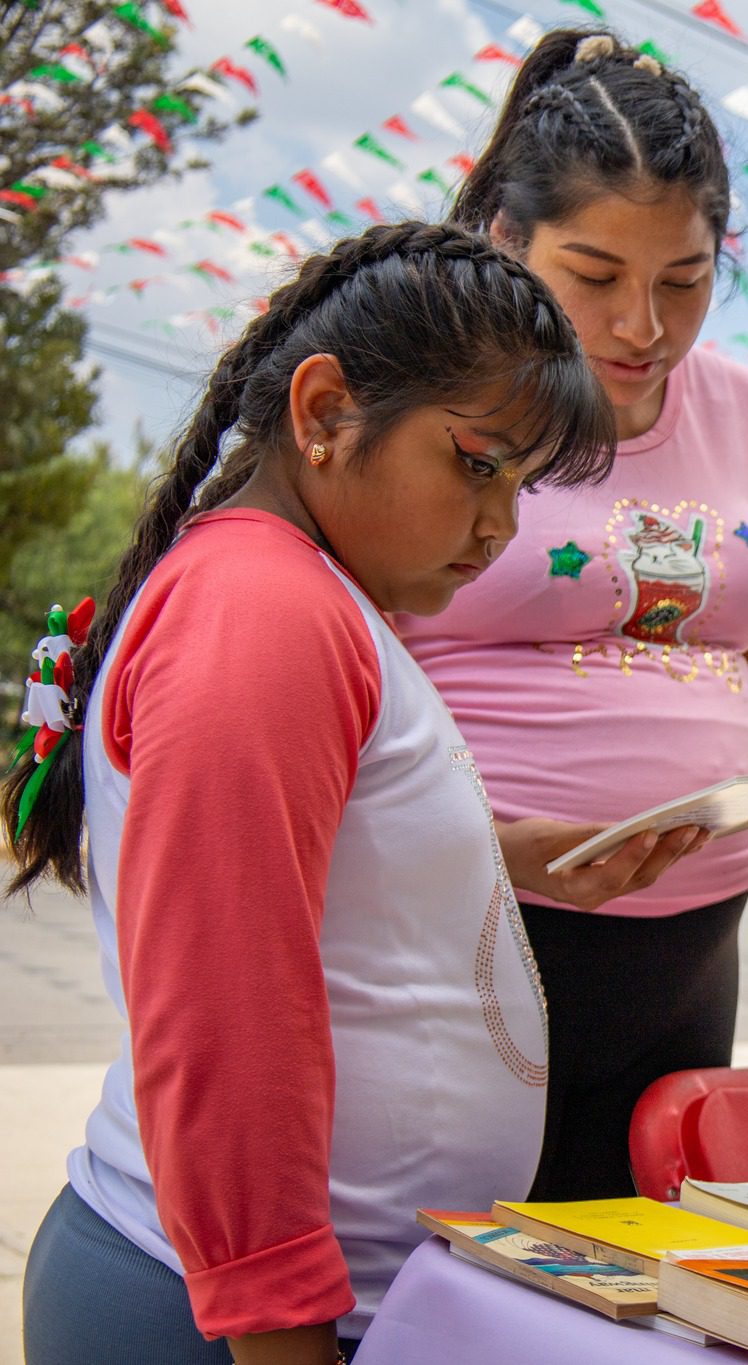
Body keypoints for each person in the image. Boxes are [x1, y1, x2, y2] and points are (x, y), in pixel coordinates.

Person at [6, 223, 696, 1364]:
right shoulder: (262, 612)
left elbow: (335, 862)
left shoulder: (309, 597)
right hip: (223, 1325)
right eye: (477, 464)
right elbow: (226, 1021)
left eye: (521, 487)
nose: (499, 527)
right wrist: (283, 1335)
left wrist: (509, 855)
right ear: (325, 413)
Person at [400, 29, 748, 1202]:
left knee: (626, 1273)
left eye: (684, 281)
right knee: (465, 1269)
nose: (642, 326)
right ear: (505, 239)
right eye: (594, 276)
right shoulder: (434, 407)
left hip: (693, 940)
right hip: (485, 926)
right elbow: (348, 681)